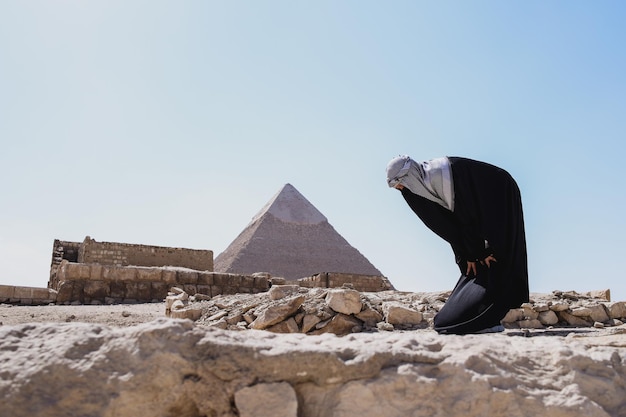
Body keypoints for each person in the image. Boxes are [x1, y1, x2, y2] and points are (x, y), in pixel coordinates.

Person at [386, 155, 529, 334]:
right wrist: (468, 255)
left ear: (410, 174)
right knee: (478, 263)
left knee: (498, 255)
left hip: (499, 194)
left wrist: (477, 252)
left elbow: (467, 217)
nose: (399, 188)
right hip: (479, 210)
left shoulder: (440, 175)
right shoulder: (424, 185)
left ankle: (488, 319)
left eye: (400, 182)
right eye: (395, 186)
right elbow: (450, 225)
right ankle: (484, 316)